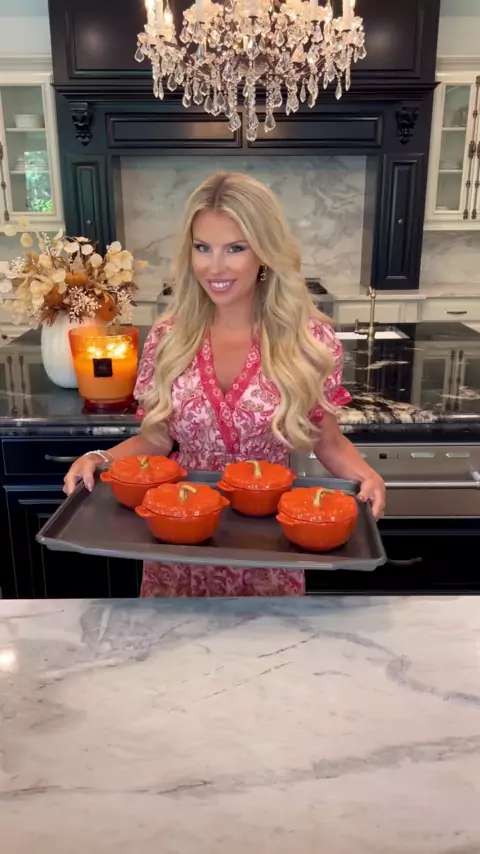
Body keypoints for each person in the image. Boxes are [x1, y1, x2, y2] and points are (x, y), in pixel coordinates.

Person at [64, 172, 386, 597]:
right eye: (203, 248)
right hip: (178, 537)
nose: (214, 267)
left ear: (264, 252)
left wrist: (368, 476)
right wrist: (100, 458)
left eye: (236, 248)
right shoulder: (169, 337)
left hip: (266, 546)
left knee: (264, 641)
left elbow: (326, 441)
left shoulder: (308, 341)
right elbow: (156, 440)